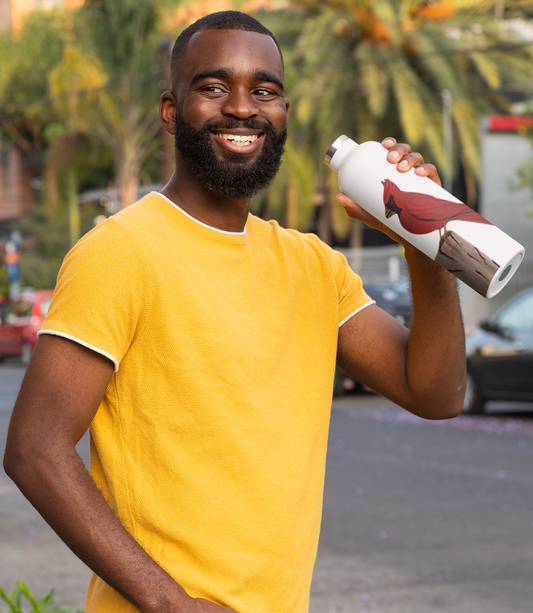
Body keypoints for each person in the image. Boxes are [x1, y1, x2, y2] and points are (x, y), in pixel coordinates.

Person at [3, 10, 466, 613]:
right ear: (172, 110)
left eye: (264, 90)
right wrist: (171, 603)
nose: (244, 107)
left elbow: (434, 395)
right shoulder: (120, 252)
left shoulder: (314, 266)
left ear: (284, 116)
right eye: (215, 87)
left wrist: (425, 245)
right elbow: (35, 448)